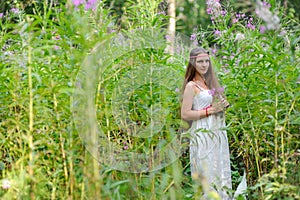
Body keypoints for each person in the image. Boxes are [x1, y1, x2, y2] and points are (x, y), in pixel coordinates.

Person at [181, 47, 232, 199]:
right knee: (207, 169)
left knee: (219, 167)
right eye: (200, 62)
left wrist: (222, 105)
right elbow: (185, 113)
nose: (204, 65)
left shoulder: (209, 83)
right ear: (193, 63)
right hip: (202, 132)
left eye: (207, 61)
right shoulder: (191, 86)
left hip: (216, 131)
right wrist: (210, 110)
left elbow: (217, 105)